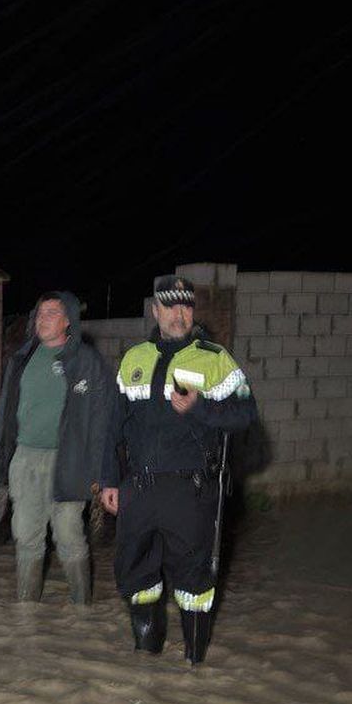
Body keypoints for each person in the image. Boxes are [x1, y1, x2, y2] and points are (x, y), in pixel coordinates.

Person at [98, 275, 257, 665]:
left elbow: (245, 414)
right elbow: (111, 427)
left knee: (194, 583)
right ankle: (146, 663)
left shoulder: (215, 357)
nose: (179, 314)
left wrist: (200, 407)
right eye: (170, 306)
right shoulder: (134, 357)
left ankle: (194, 668)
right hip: (138, 489)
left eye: (186, 306)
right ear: (156, 311)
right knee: (137, 578)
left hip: (191, 491)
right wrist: (107, 481)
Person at [0, 291, 114, 603]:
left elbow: (101, 421)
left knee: (69, 536)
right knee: (26, 537)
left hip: (69, 462)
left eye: (52, 313)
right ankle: (28, 615)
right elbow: (4, 417)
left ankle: (82, 609)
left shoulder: (86, 361)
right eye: (39, 313)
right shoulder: (21, 359)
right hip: (24, 459)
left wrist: (102, 473)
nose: (43, 318)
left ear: (69, 320)